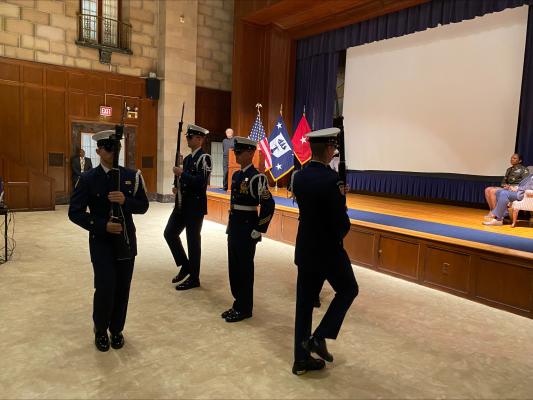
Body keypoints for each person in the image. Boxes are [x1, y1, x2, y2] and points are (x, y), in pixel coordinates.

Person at [68, 130, 149, 352]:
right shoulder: (87, 179)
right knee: (105, 287)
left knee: (123, 288)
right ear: (98, 150)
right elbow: (74, 212)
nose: (112, 152)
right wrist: (102, 225)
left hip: (126, 241)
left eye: (115, 147)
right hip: (101, 242)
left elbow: (143, 206)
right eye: (107, 148)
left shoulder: (132, 176)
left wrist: (126, 201)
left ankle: (117, 329)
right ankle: (101, 329)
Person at [291, 127, 359, 376]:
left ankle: (300, 359)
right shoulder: (333, 181)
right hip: (329, 250)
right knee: (349, 289)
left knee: (304, 304)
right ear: (330, 150)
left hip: (306, 247)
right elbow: (340, 222)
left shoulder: (298, 177)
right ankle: (320, 336)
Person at [221, 137, 275, 322]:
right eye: (236, 151)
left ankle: (245, 308)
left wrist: (260, 228)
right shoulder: (236, 175)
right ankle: (238, 303)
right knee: (234, 268)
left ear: (251, 153)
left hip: (247, 228)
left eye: (240, 152)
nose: (236, 154)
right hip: (235, 226)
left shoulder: (257, 178)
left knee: (244, 270)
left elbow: (268, 205)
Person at [164, 124, 212, 290]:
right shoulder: (187, 159)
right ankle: (185, 265)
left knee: (193, 241)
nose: (187, 139)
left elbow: (200, 182)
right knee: (169, 233)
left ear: (200, 139)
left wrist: (181, 174)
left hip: (194, 206)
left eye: (190, 137)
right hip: (182, 204)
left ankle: (194, 277)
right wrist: (177, 186)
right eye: (187, 136)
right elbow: (184, 181)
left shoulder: (204, 158)